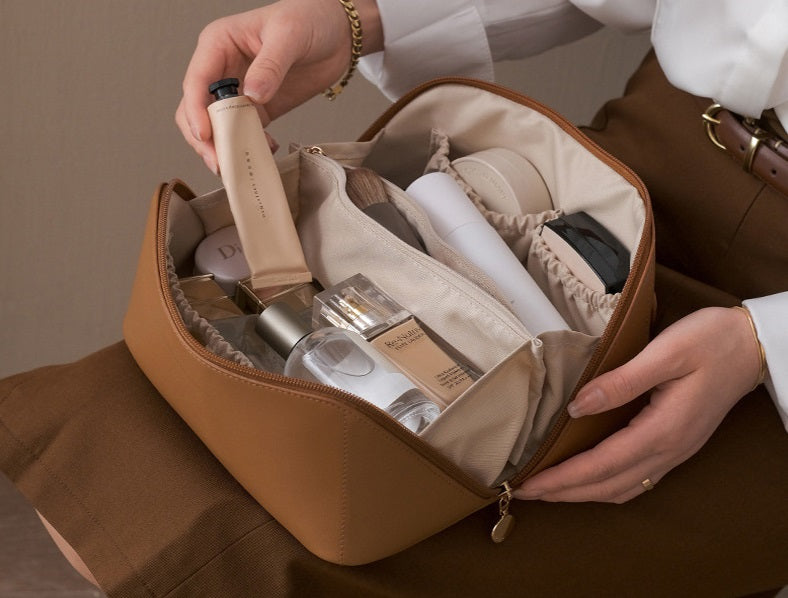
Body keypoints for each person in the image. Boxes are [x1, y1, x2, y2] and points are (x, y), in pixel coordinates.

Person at [1, 0, 786, 595]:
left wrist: (762, 344)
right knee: (117, 448)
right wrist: (356, 20)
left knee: (252, 544)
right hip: (626, 170)